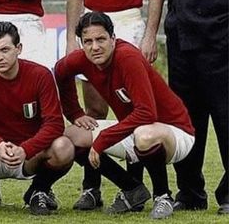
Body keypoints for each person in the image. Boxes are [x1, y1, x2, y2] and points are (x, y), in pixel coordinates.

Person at [65, 0, 166, 209]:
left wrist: (150, 34)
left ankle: (134, 187)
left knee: (132, 109)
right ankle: (91, 187)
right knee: (93, 108)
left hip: (127, 23)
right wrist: (71, 40)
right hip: (92, 26)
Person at [55, 12, 195, 219]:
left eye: (101, 39)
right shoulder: (82, 59)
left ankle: (163, 196)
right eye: (88, 41)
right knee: (70, 137)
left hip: (175, 132)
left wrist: (102, 139)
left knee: (144, 134)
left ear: (113, 38)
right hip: (135, 129)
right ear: (81, 43)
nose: (95, 47)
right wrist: (74, 113)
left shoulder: (127, 57)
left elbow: (147, 113)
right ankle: (131, 189)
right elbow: (60, 71)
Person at [0, 22, 72, 215]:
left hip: (29, 155)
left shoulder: (40, 74)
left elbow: (55, 123)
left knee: (64, 146)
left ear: (19, 49)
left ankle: (39, 190)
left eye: (5, 50)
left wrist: (27, 149)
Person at [165, 0, 228, 215]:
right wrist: (172, 24)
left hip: (220, 43)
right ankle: (190, 192)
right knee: (186, 122)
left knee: (226, 119)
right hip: (183, 42)